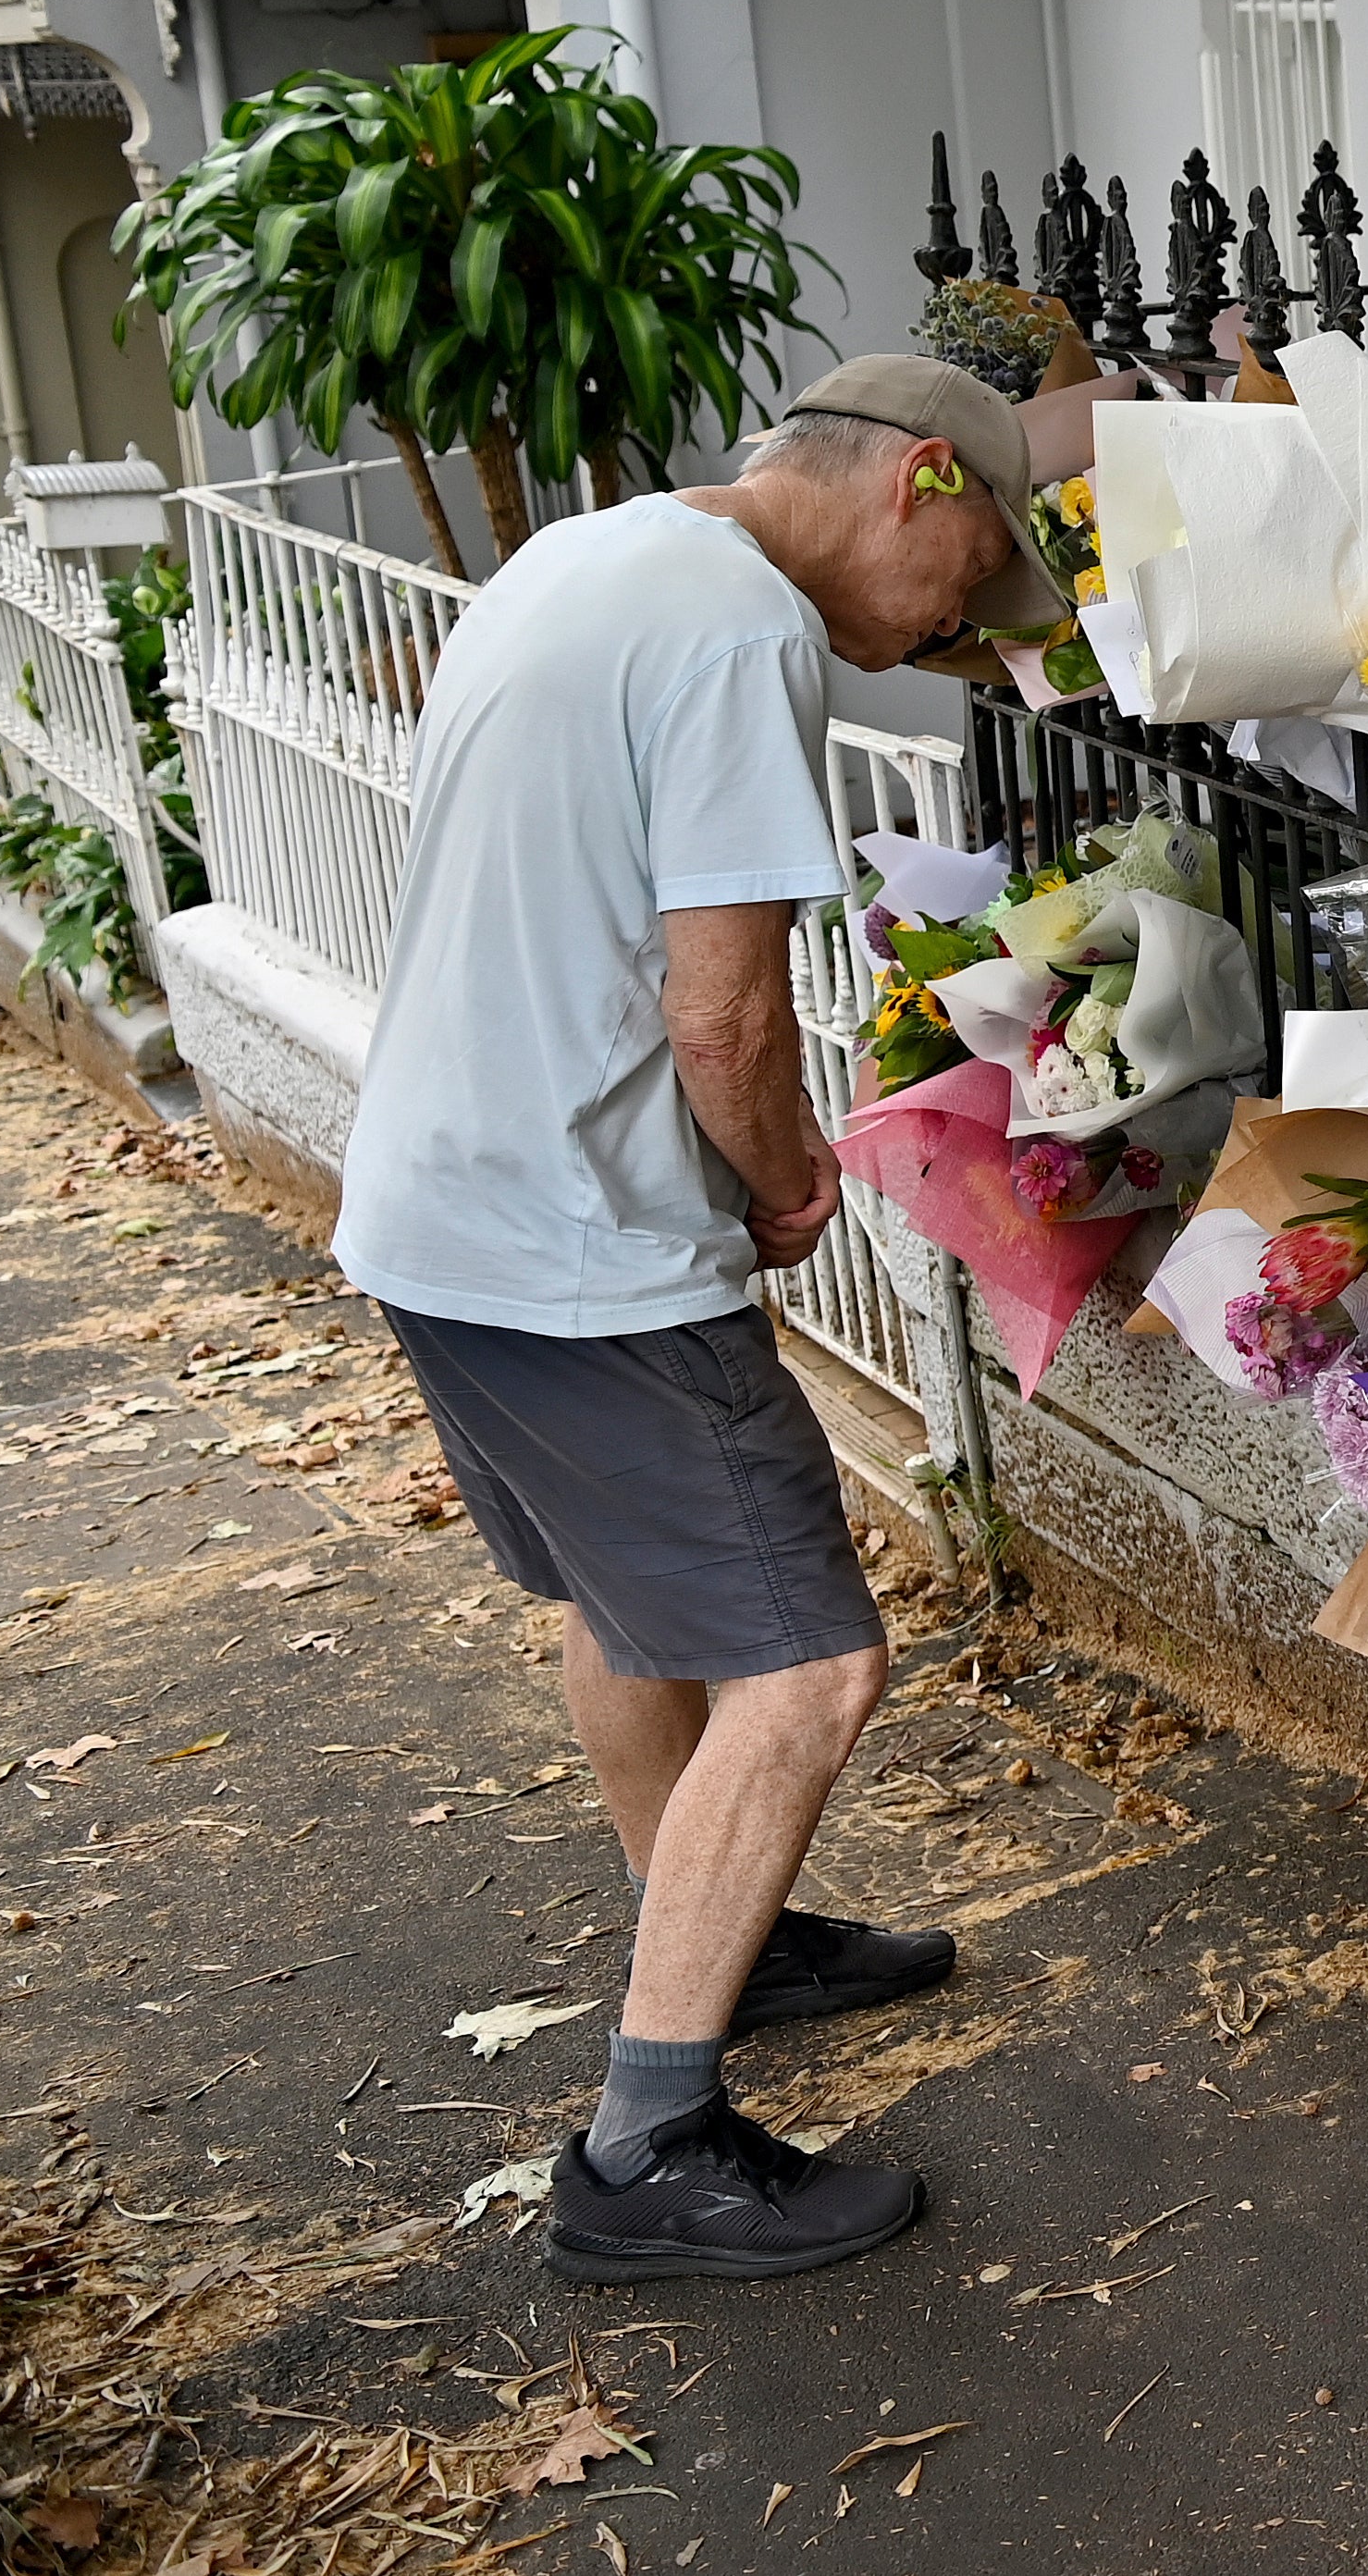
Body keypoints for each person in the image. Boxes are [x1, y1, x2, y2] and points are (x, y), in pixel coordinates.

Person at [332, 356, 1069, 2283]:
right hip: (579, 1238)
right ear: (921, 478)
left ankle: (715, 1922)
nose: (944, 632)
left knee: (634, 1610)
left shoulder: (587, 558)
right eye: (966, 574)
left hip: (440, 1203)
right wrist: (785, 1178)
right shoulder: (744, 629)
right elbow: (726, 1011)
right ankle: (645, 2145)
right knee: (811, 1669)